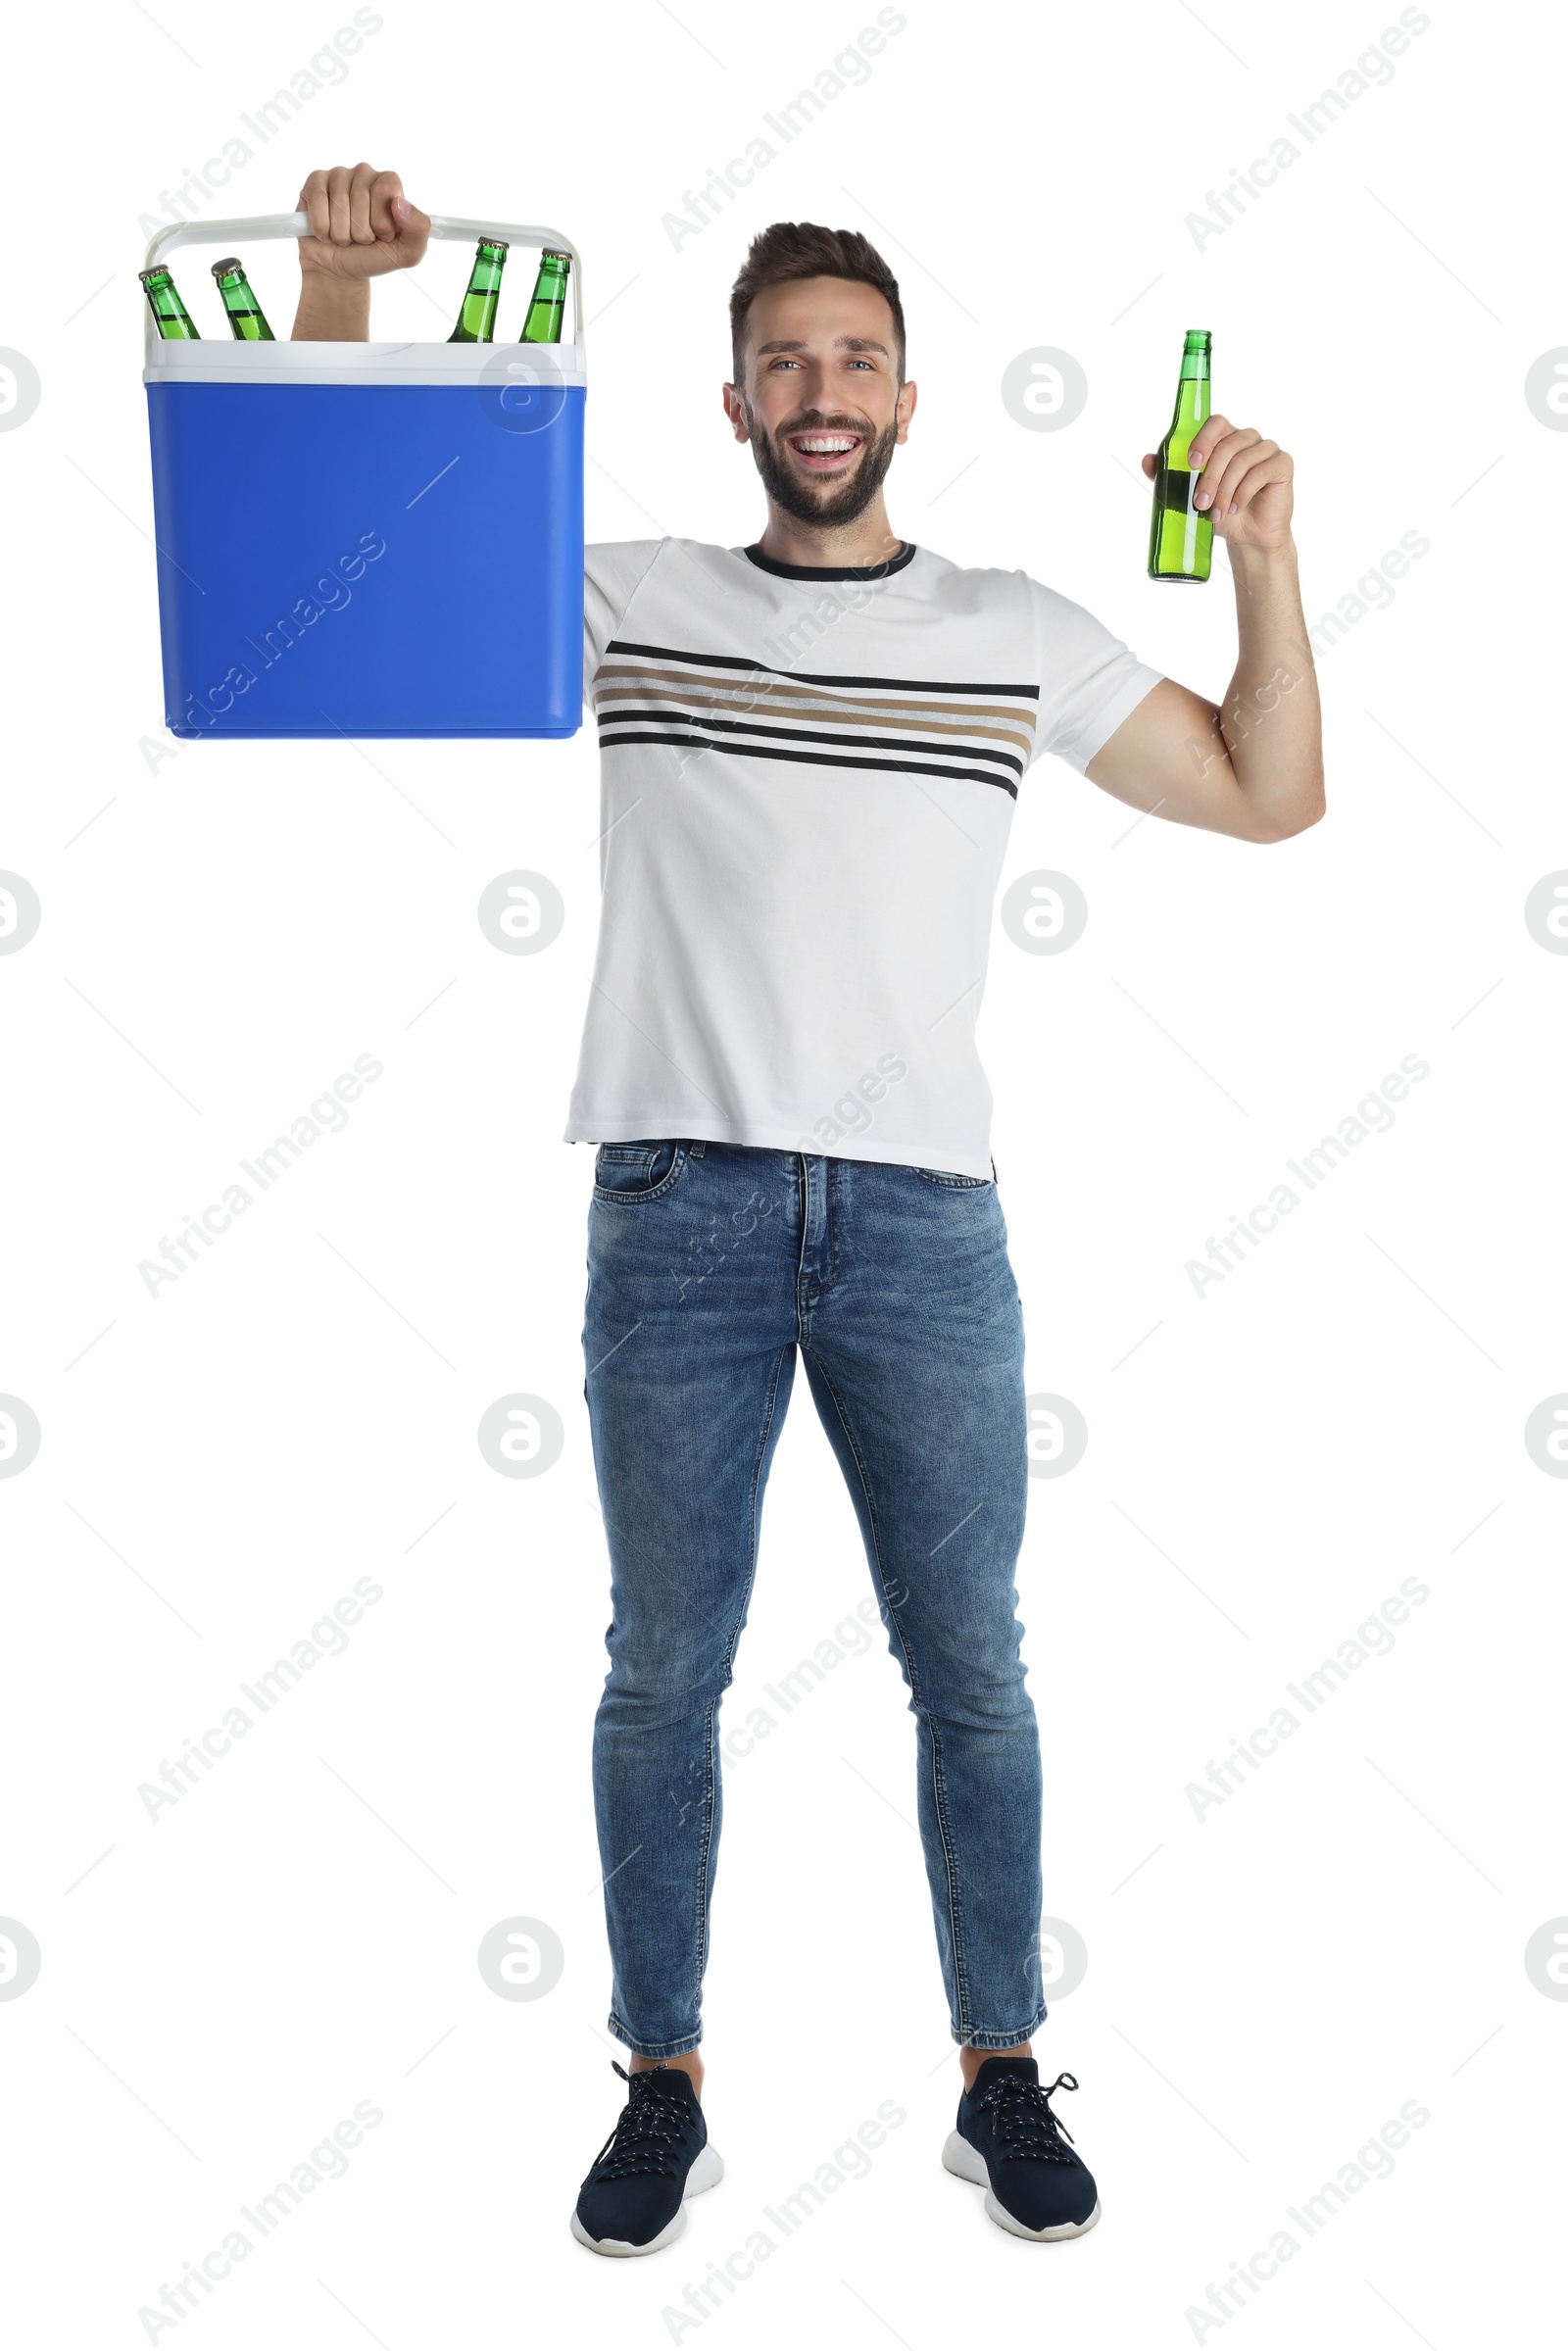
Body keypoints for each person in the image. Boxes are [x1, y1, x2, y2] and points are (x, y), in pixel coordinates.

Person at [290, 162, 1325, 2257]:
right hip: (673, 1203)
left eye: (854, 357)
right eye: (784, 362)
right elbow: (344, 601)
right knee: (663, 1669)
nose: (820, 389)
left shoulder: (1010, 629)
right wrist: (332, 291)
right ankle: (659, 2081)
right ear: (737, 402)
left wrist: (1266, 563)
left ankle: (997, 2070)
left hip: (924, 1221)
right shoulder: (633, 595)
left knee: (975, 1670)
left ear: (909, 398)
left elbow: (1265, 790)